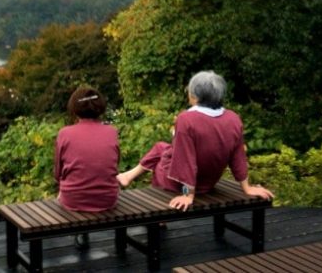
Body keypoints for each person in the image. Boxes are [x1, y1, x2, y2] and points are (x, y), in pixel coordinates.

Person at [116, 71, 274, 212]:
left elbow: (186, 162)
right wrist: (247, 188)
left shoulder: (187, 119)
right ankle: (128, 176)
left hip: (183, 185)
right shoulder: (233, 118)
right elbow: (238, 157)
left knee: (161, 163)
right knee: (161, 147)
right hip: (208, 182)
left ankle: (159, 215)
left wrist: (187, 195)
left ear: (195, 96)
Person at [54, 86, 119, 248]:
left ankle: (81, 232)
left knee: (69, 184)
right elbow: (114, 164)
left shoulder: (65, 133)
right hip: (107, 198)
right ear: (100, 108)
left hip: (73, 199)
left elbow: (58, 172)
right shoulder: (111, 132)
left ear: (74, 109)